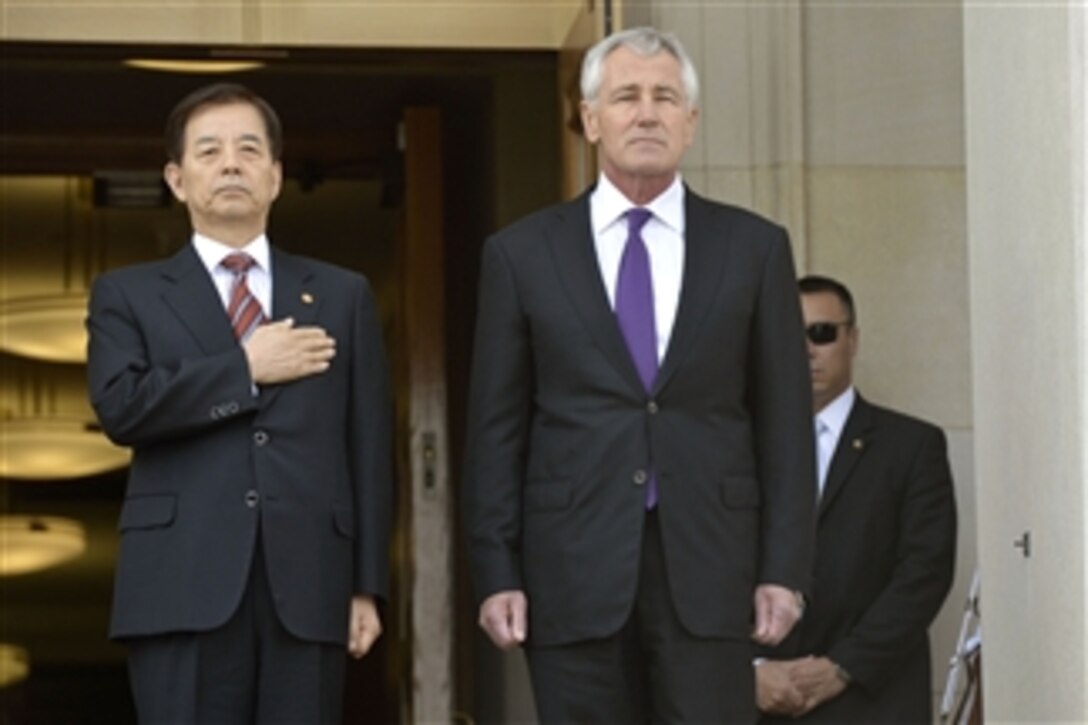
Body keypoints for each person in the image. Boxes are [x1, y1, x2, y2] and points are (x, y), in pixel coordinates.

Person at [463, 26, 815, 723]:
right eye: (626, 96)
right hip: (570, 568)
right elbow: (496, 429)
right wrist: (496, 571)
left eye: (665, 97)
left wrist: (784, 568)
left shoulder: (754, 247)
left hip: (713, 567)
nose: (646, 112)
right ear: (591, 119)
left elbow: (783, 422)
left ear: (690, 121)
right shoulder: (522, 254)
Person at [86, 82, 393, 723]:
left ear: (276, 177)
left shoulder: (341, 294)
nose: (231, 163)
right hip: (180, 585)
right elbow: (121, 408)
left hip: (309, 587)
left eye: (249, 149)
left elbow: (368, 445)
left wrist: (365, 584)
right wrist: (243, 371)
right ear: (177, 178)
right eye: (210, 151)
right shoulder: (128, 295)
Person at [755, 275, 957, 723]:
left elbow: (924, 573)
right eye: (790, 335)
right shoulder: (737, 449)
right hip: (757, 701)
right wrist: (750, 671)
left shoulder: (911, 445)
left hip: (871, 698)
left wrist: (842, 667)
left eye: (822, 333)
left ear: (853, 339)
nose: (806, 349)